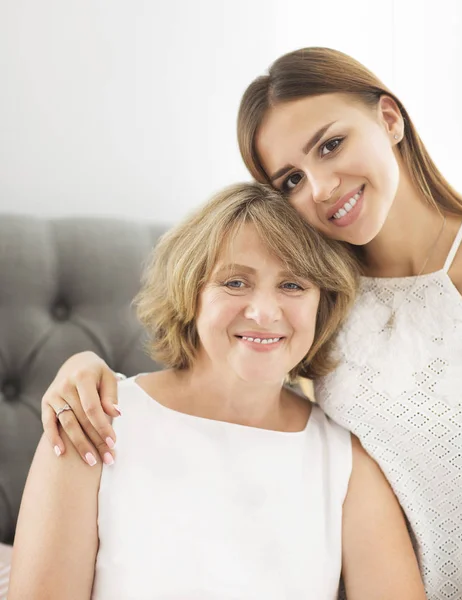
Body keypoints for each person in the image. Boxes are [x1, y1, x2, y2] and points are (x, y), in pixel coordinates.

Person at [40, 48, 462, 598]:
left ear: (389, 119)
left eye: (331, 144)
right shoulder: (322, 302)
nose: (320, 188)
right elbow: (222, 381)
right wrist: (81, 365)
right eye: (291, 179)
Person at [9, 183, 425, 599]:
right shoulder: (90, 419)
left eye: (293, 285)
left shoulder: (347, 464)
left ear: (323, 304)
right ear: (192, 293)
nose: (263, 312)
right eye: (236, 282)